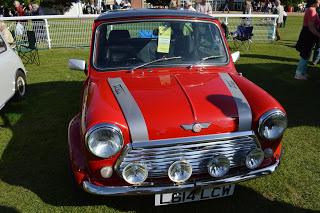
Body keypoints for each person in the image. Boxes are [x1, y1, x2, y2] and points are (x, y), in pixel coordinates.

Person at [295, 0, 320, 80]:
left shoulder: (311, 9)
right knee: (305, 55)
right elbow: (311, 27)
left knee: (306, 54)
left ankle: (303, 73)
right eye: (319, 1)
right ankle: (298, 74)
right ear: (315, 2)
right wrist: (319, 35)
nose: (319, 3)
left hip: (308, 34)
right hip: (308, 35)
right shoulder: (312, 10)